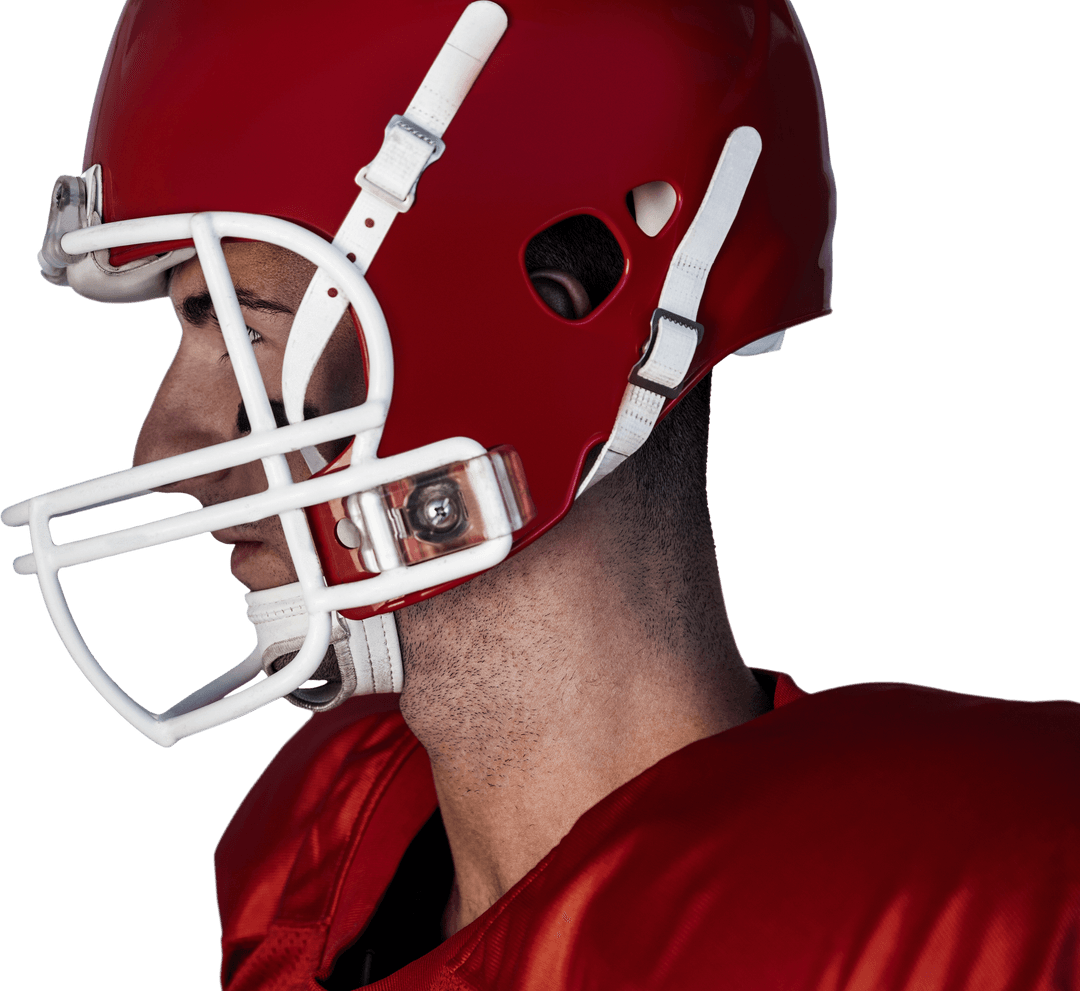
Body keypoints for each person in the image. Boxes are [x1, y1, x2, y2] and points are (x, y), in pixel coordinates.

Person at [3, 0, 1077, 988]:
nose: (165, 450)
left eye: (243, 324)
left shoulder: (996, 893)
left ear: (556, 303)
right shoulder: (314, 861)